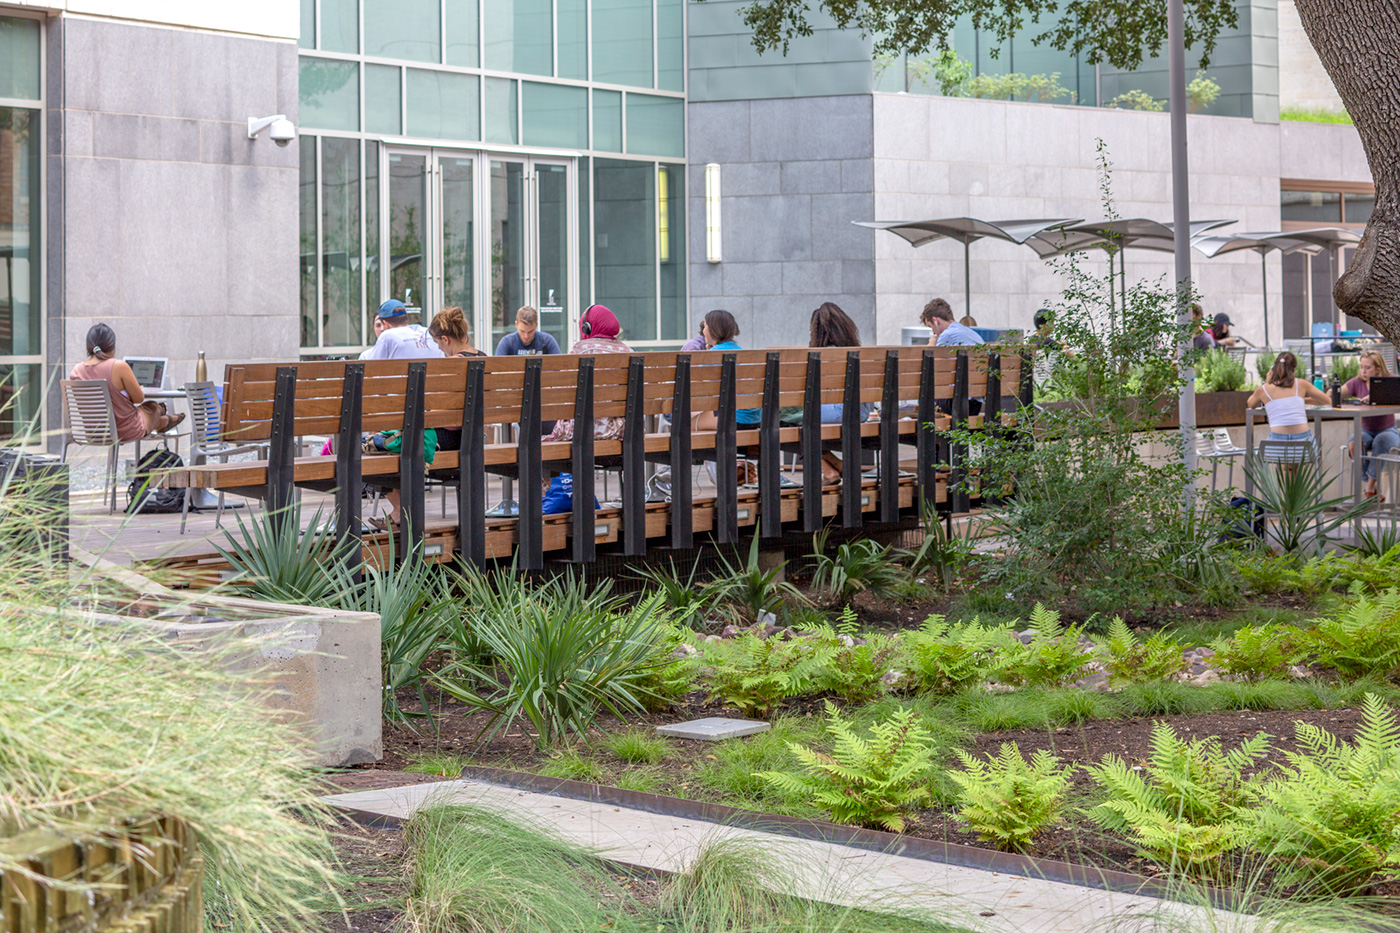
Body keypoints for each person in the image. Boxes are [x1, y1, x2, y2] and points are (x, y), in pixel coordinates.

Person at [777, 302, 872, 485]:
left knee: (775, 421)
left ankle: (828, 470)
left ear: (818, 331)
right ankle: (835, 464)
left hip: (839, 412)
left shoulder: (823, 355)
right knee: (794, 420)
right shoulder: (856, 352)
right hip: (862, 412)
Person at [68, 323, 185, 441]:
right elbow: (139, 398)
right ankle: (163, 420)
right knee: (152, 406)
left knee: (145, 412)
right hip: (126, 431)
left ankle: (163, 420)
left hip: (94, 433)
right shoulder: (118, 366)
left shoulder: (76, 371)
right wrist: (133, 389)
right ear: (112, 346)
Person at [546, 305, 633, 442]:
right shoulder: (628, 351)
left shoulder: (579, 350)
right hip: (619, 431)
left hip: (580, 431)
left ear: (587, 327)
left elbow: (566, 394)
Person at [1247, 351, 1330, 462]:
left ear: (1273, 369)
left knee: (1285, 466)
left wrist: (1267, 383)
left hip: (1276, 446)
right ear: (1294, 370)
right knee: (1293, 466)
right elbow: (1326, 400)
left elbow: (1250, 404)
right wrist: (1299, 400)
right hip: (1304, 446)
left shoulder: (1263, 390)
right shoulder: (1301, 384)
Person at [1341, 350, 1400, 500]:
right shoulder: (1356, 382)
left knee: (1381, 441)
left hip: (1388, 430)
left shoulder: (1390, 381)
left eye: (1368, 368)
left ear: (1378, 369)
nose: (1363, 371)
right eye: (1361, 367)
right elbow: (1334, 394)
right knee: (1354, 444)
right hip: (1365, 430)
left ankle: (1368, 490)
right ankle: (1370, 486)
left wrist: (1374, 396)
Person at [693, 309, 759, 431]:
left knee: (684, 426)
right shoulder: (743, 352)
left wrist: (708, 356)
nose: (703, 331)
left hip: (731, 418)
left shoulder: (712, 356)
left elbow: (699, 390)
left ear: (712, 330)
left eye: (705, 326)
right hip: (754, 419)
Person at [359, 299, 444, 360]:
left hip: (401, 385)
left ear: (386, 323)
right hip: (433, 384)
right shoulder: (429, 333)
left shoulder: (388, 335)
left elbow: (372, 369)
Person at [494, 306, 561, 356]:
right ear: (516, 324)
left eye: (530, 332)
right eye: (522, 331)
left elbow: (559, 366)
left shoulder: (547, 341)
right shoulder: (507, 343)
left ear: (536, 325)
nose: (526, 336)